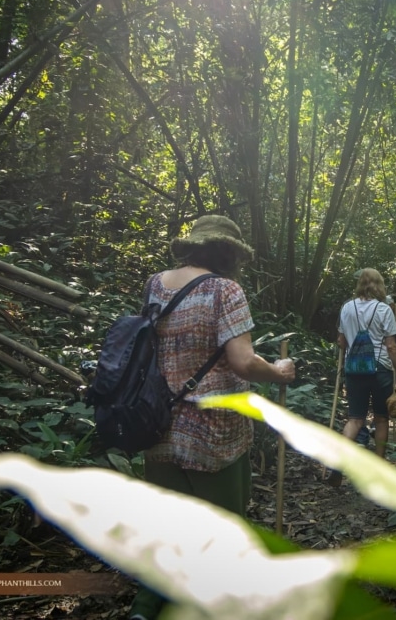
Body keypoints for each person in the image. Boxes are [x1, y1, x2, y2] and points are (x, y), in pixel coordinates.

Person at [128, 215, 296, 620]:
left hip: (157, 422)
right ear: (227, 252)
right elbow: (241, 362)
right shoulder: (225, 290)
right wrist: (277, 371)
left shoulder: (156, 284)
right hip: (215, 430)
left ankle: (146, 607)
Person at [330, 268, 396, 486]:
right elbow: (391, 345)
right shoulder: (383, 309)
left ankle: (337, 463)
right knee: (381, 418)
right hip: (379, 368)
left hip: (354, 369)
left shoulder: (346, 307)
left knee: (355, 419)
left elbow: (341, 341)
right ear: (379, 285)